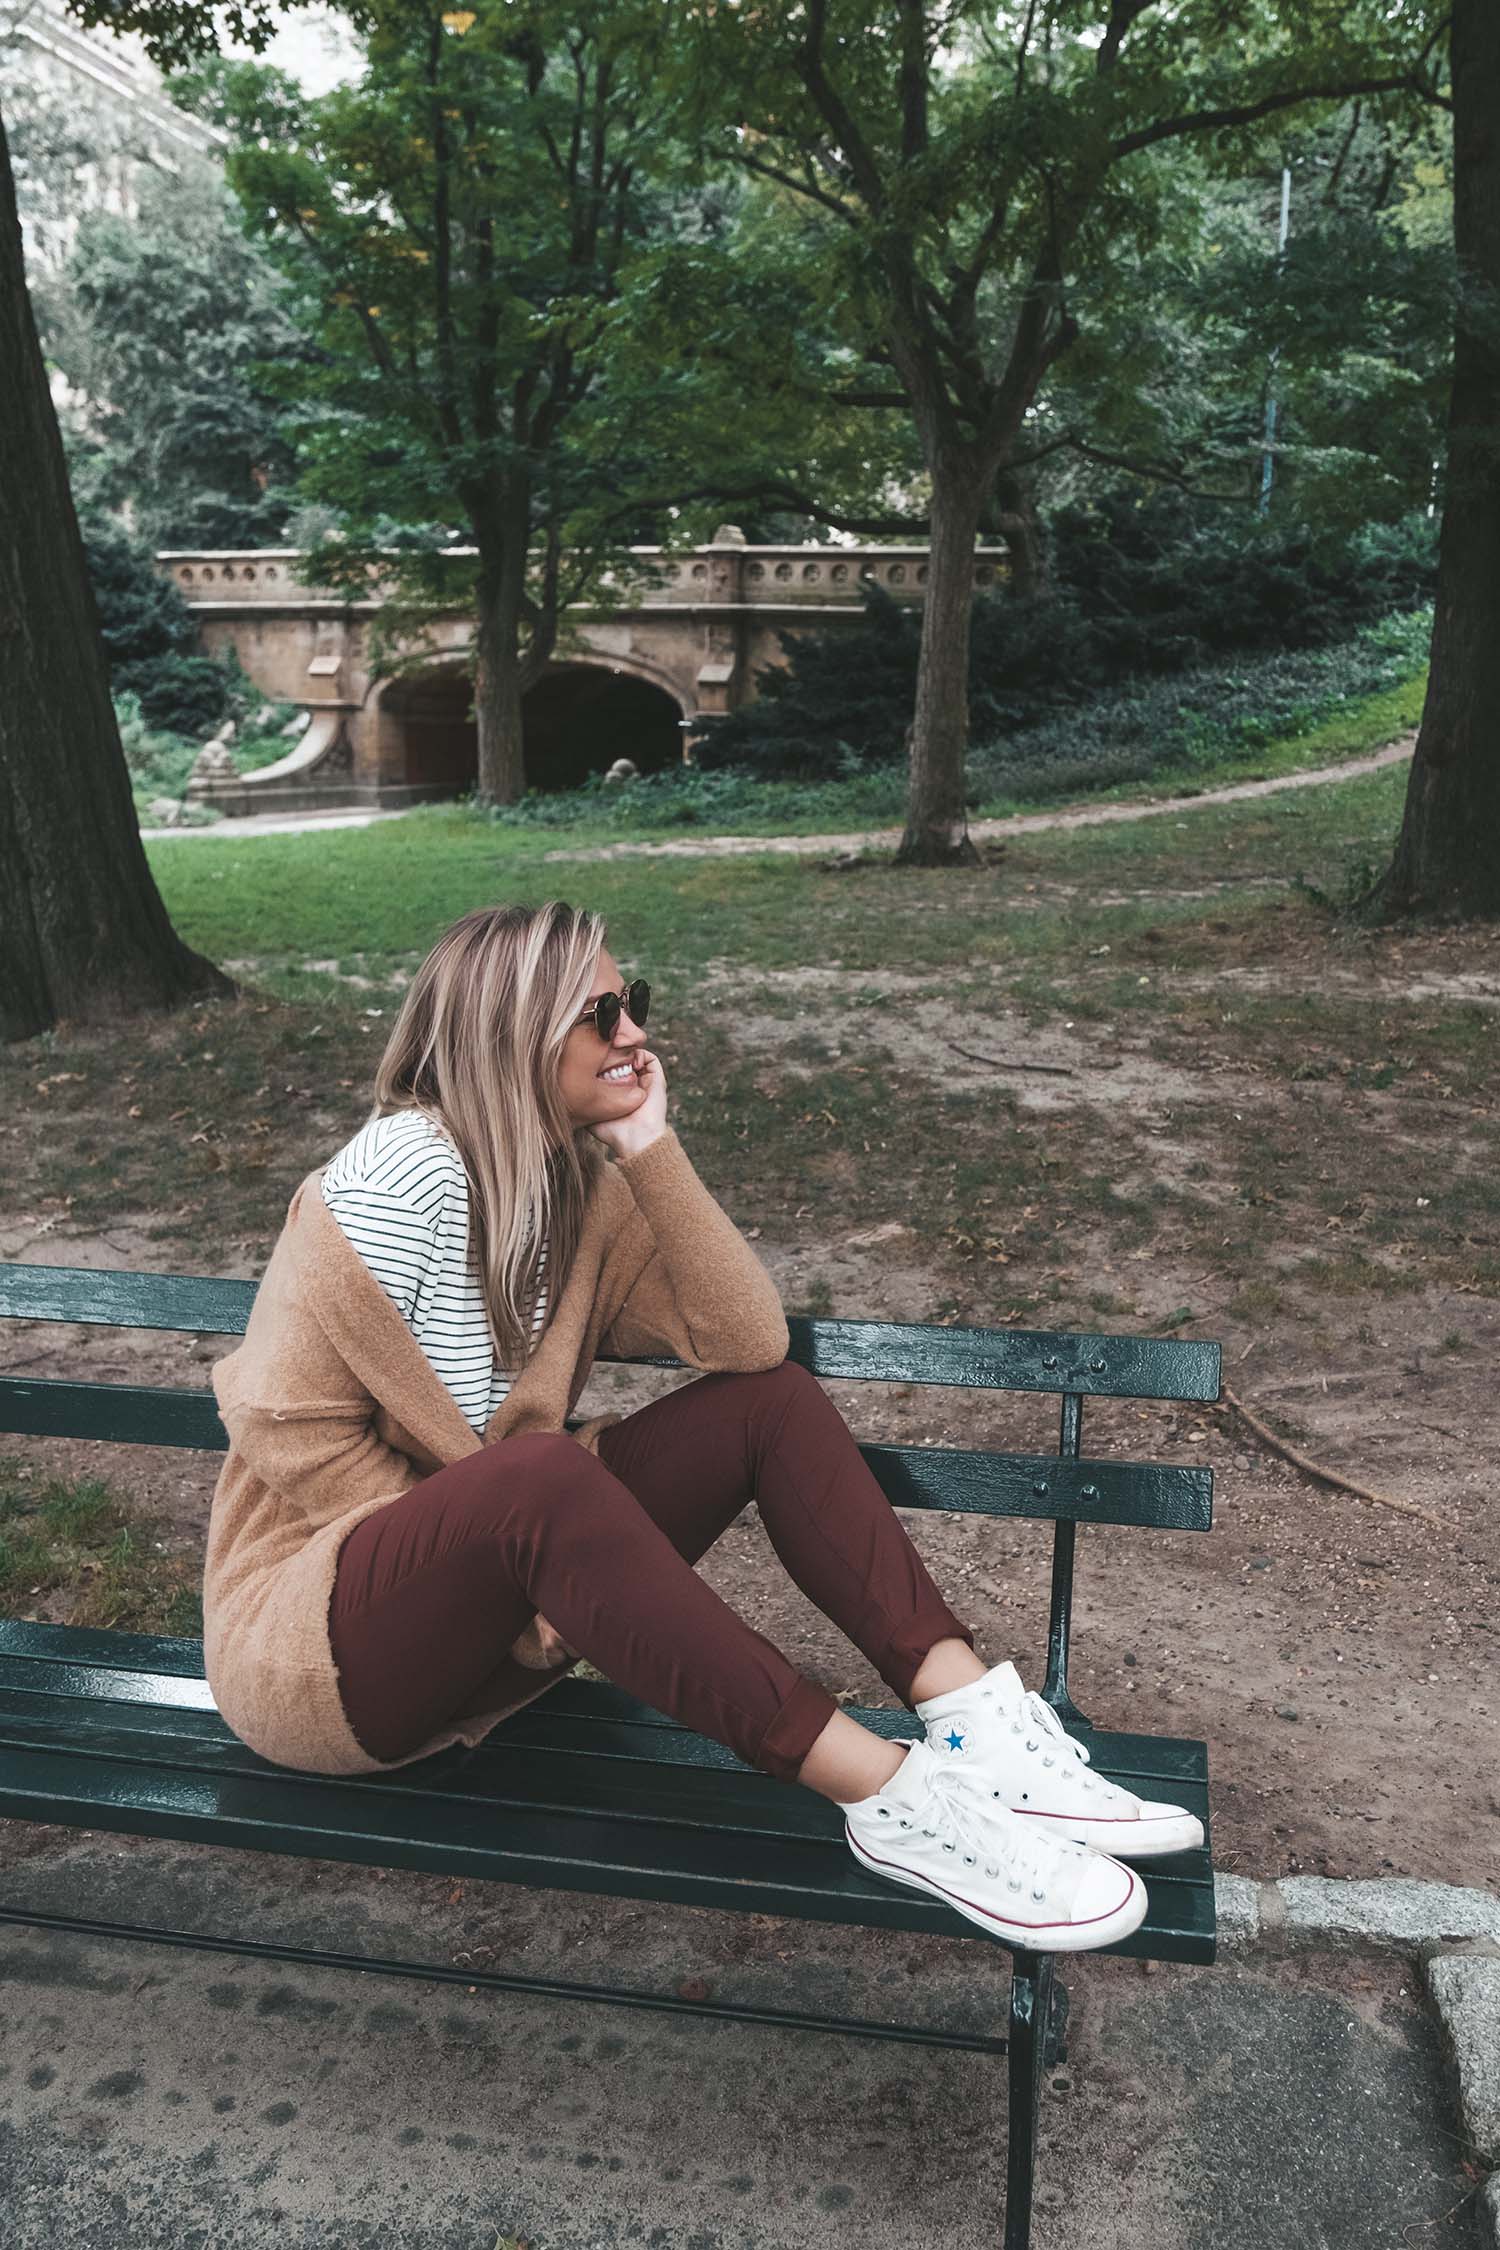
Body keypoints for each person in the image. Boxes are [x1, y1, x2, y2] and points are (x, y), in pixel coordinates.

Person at [203, 901, 1202, 1958]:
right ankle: (897, 1801)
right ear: (515, 1030)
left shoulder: (576, 1191)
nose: (635, 1032)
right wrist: (499, 1575)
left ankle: (973, 1728)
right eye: (602, 1014)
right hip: (319, 1652)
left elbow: (746, 1340)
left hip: (503, 1613)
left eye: (632, 1003)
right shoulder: (399, 1173)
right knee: (539, 1477)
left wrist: (649, 1146)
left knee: (768, 1405)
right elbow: (285, 1423)